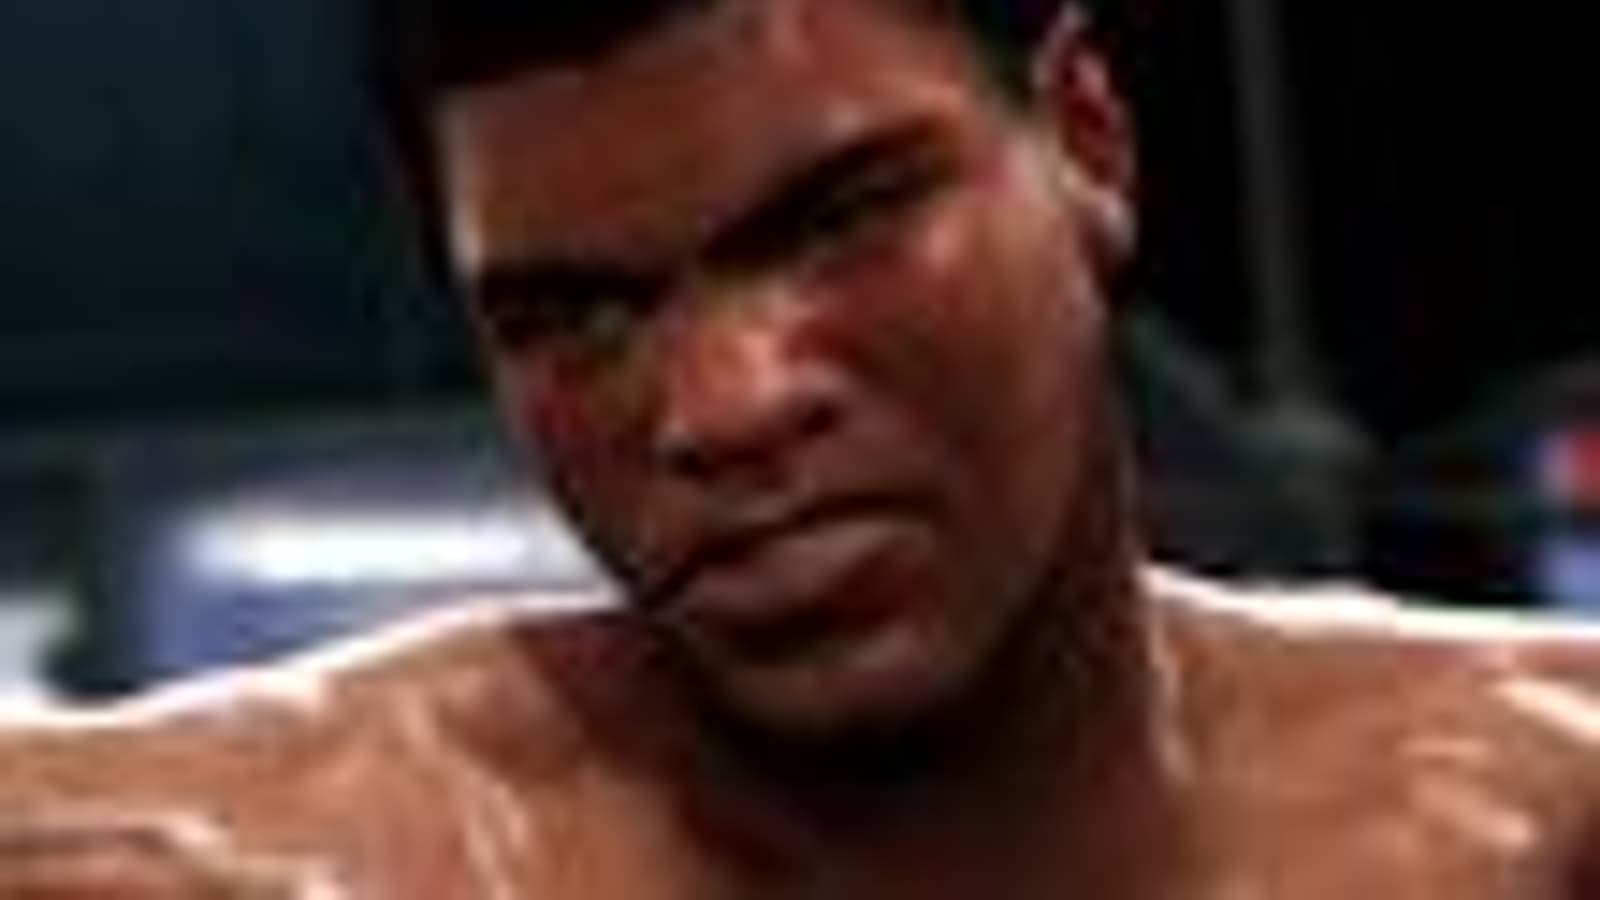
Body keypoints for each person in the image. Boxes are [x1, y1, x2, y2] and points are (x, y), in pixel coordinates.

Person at [4, 1, 1600, 897]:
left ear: (1087, 141)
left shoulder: (1535, 812)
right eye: (575, 317)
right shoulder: (275, 863)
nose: (727, 407)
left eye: (840, 222)